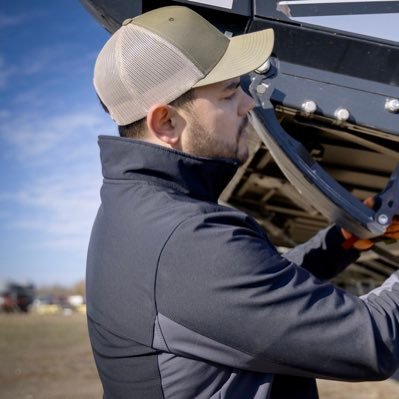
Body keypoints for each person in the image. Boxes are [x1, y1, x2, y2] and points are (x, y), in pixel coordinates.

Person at [86, 5, 399, 399]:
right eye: (229, 92)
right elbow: (372, 343)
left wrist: (343, 242)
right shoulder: (184, 240)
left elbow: (255, 294)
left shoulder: (140, 214)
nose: (247, 104)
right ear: (166, 122)